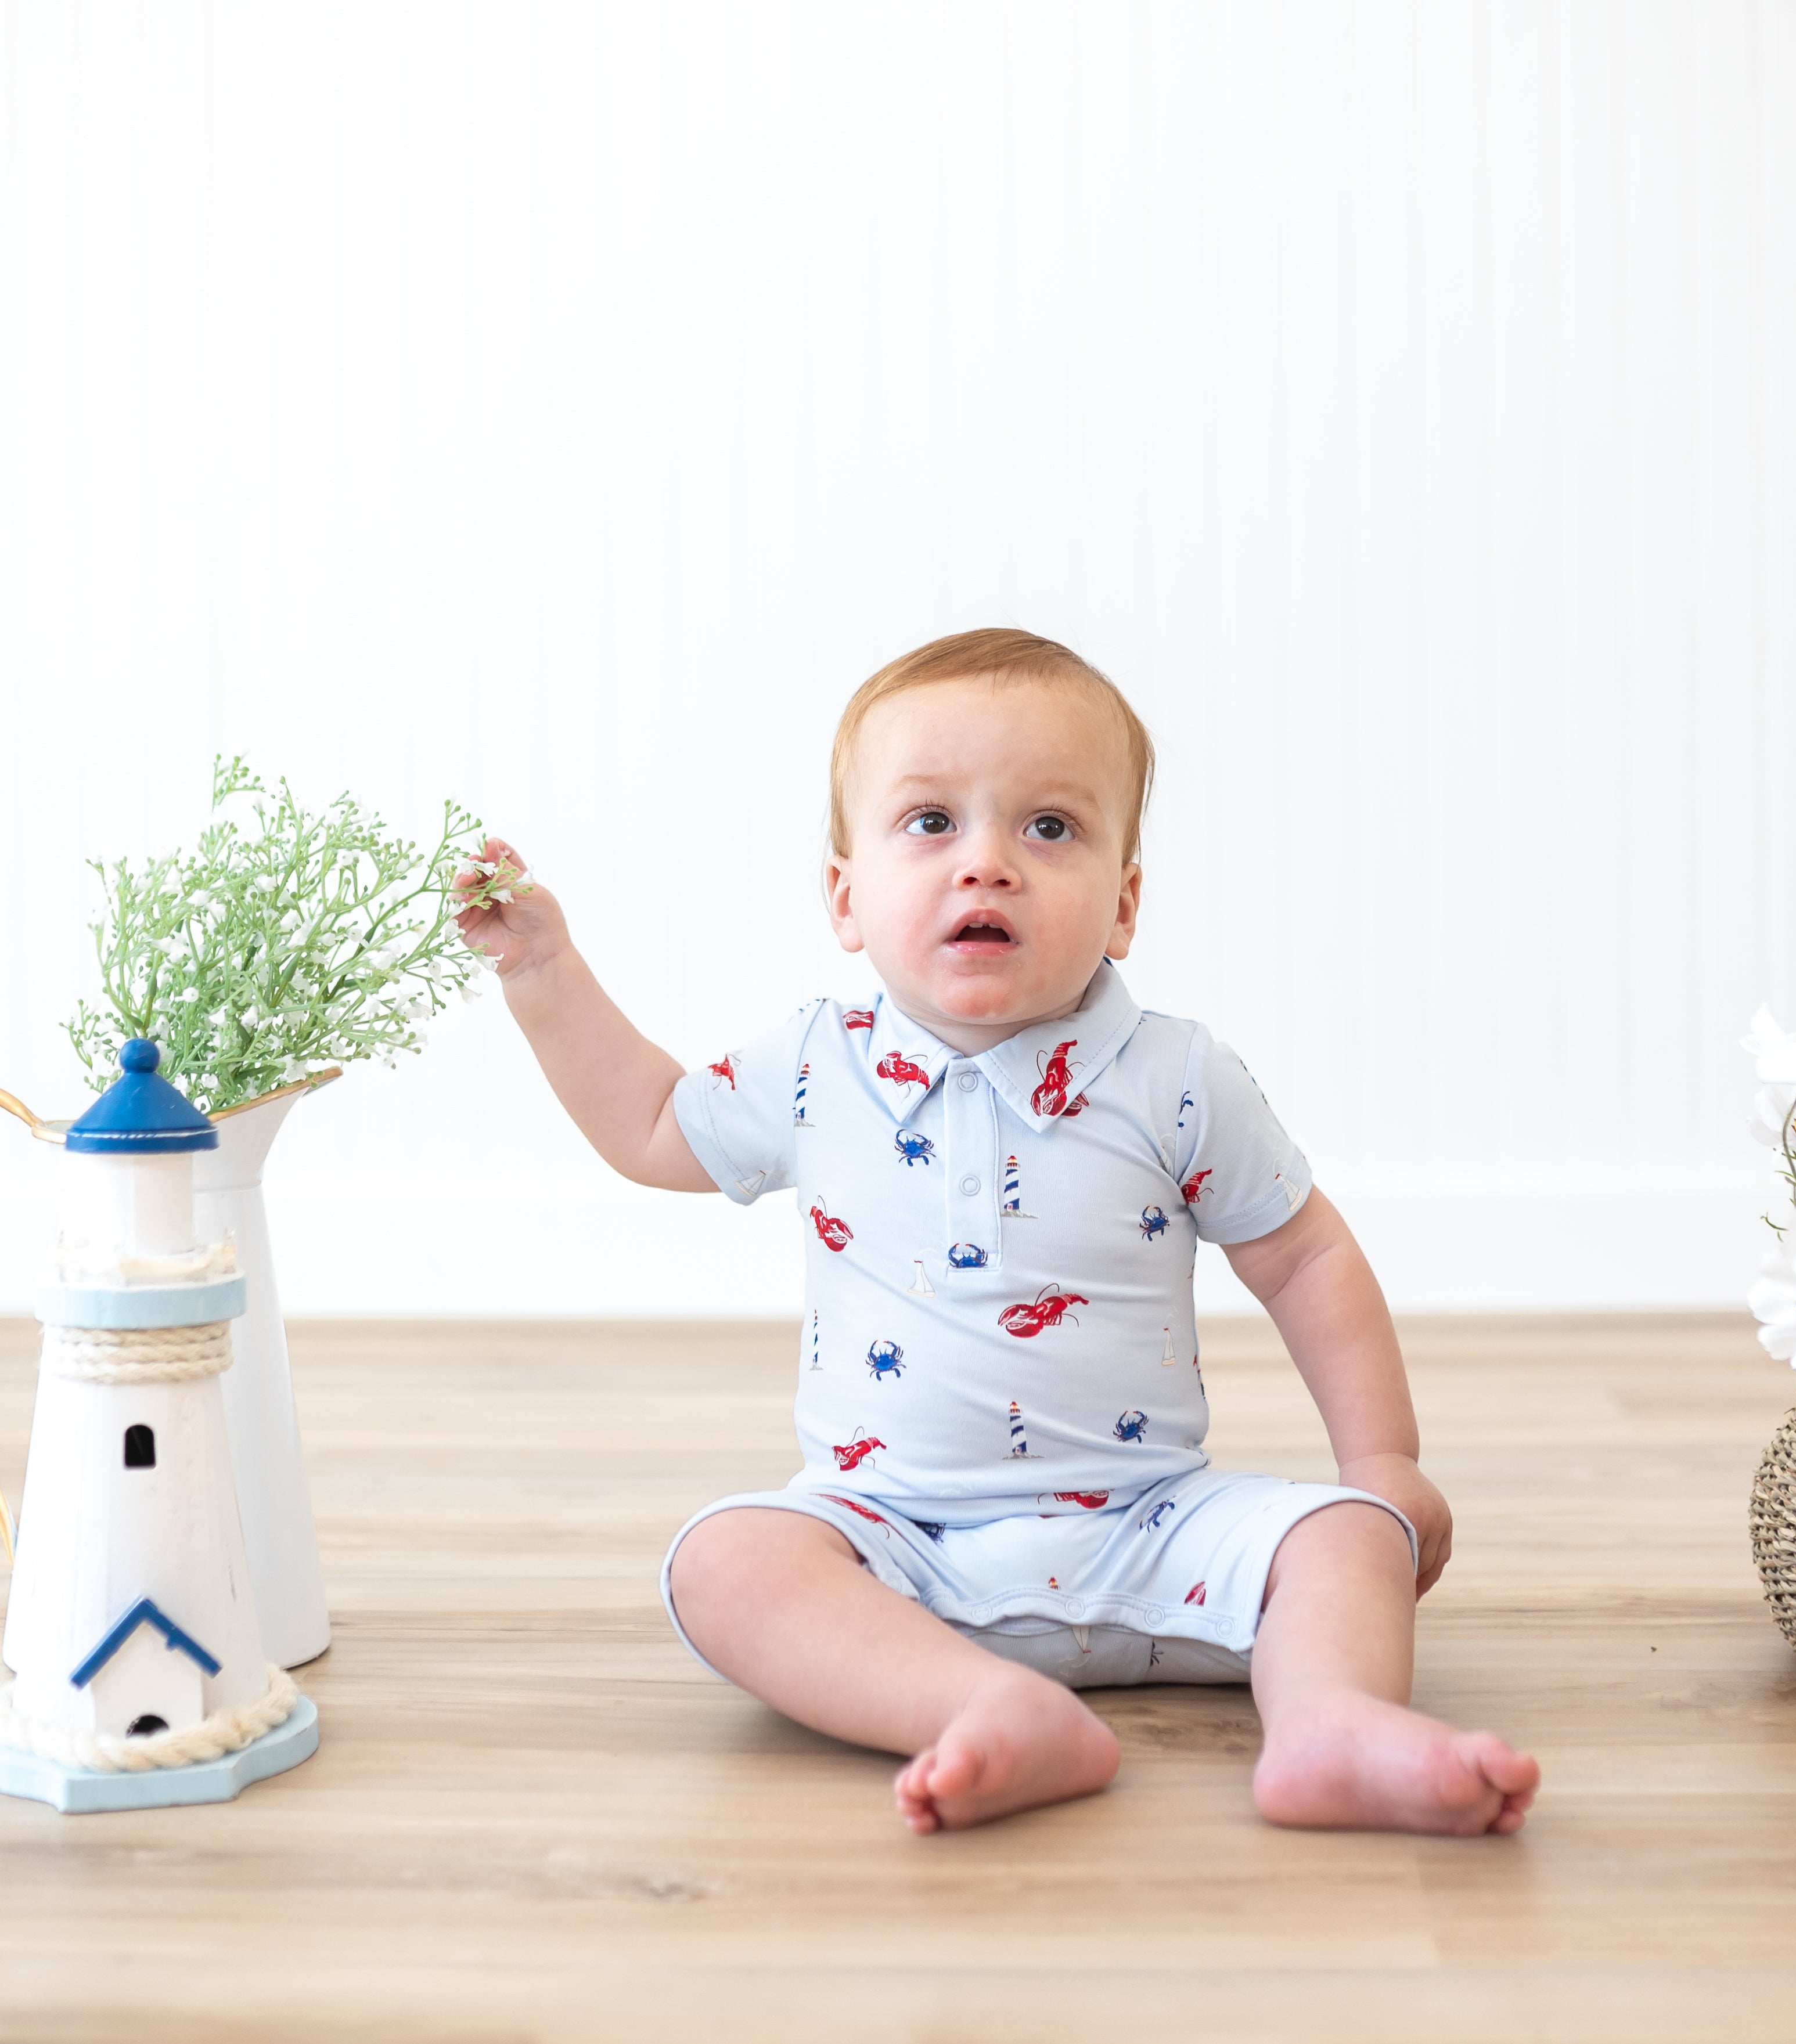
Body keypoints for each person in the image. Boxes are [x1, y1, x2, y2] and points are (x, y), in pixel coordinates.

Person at [457, 628, 1539, 1837]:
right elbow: (653, 1122)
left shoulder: (1175, 1075)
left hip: (1153, 1528)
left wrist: (1381, 1458)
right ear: (844, 897)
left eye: (1050, 828)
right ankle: (982, 1706)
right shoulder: (815, 1067)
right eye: (931, 824)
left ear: (1125, 904)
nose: (988, 865)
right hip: (897, 1547)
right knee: (726, 1563)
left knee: (1348, 1537)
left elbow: (1306, 1257)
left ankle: (1332, 1726)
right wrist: (543, 971)